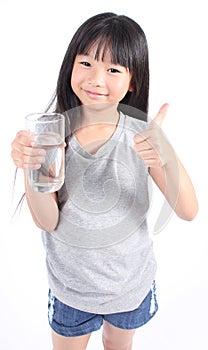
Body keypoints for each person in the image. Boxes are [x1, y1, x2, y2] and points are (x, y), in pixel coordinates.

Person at [11, 12, 198, 350]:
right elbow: (47, 220)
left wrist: (166, 154)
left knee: (117, 345)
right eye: (86, 63)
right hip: (71, 289)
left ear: (133, 81)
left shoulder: (143, 136)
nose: (96, 79)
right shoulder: (54, 135)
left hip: (129, 285)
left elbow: (188, 210)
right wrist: (31, 166)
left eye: (113, 69)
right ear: (71, 65)